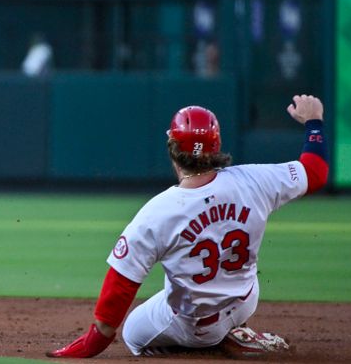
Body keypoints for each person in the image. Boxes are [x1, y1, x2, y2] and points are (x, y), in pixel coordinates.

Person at [48, 94, 329, 358]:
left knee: (133, 333)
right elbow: (315, 171)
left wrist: (85, 348)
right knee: (204, 285)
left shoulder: (158, 212)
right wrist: (314, 122)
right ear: (217, 146)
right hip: (245, 300)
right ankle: (235, 330)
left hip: (196, 326)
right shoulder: (255, 180)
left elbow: (115, 299)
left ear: (172, 148)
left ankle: (208, 347)